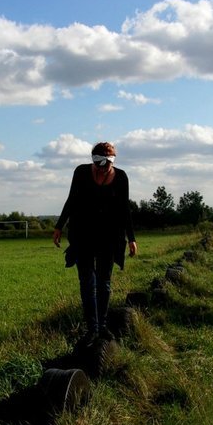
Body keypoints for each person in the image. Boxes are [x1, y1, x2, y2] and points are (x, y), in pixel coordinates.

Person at [53, 142, 138, 345]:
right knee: (87, 282)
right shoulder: (81, 172)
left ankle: (103, 326)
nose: (105, 165)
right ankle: (92, 328)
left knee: (104, 283)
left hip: (110, 237)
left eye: (110, 161)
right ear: (93, 160)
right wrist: (59, 226)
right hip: (82, 235)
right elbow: (71, 200)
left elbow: (124, 209)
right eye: (100, 161)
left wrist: (131, 238)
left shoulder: (121, 177)